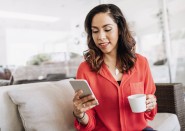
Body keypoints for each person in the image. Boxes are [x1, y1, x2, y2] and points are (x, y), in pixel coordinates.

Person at [72, 4, 157, 131]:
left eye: (107, 29)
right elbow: (89, 123)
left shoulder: (141, 63)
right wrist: (80, 114)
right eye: (95, 31)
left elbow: (149, 113)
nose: (100, 37)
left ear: (120, 29)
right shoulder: (85, 69)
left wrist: (151, 104)